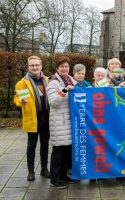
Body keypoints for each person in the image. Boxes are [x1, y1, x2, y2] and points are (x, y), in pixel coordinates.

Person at [14, 56, 50, 181]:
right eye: (32, 65)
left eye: (37, 65)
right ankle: (30, 171)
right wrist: (21, 100)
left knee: (45, 144)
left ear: (41, 66)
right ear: (28, 67)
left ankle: (44, 169)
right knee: (31, 145)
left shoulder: (48, 80)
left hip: (46, 116)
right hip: (32, 118)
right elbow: (17, 99)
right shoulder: (22, 83)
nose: (34, 67)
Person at [47, 56, 79, 188]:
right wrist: (65, 90)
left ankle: (64, 175)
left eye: (66, 66)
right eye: (62, 66)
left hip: (70, 121)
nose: (64, 68)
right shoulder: (53, 83)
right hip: (60, 121)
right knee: (58, 151)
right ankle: (54, 179)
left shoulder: (71, 79)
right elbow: (53, 102)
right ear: (57, 68)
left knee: (67, 151)